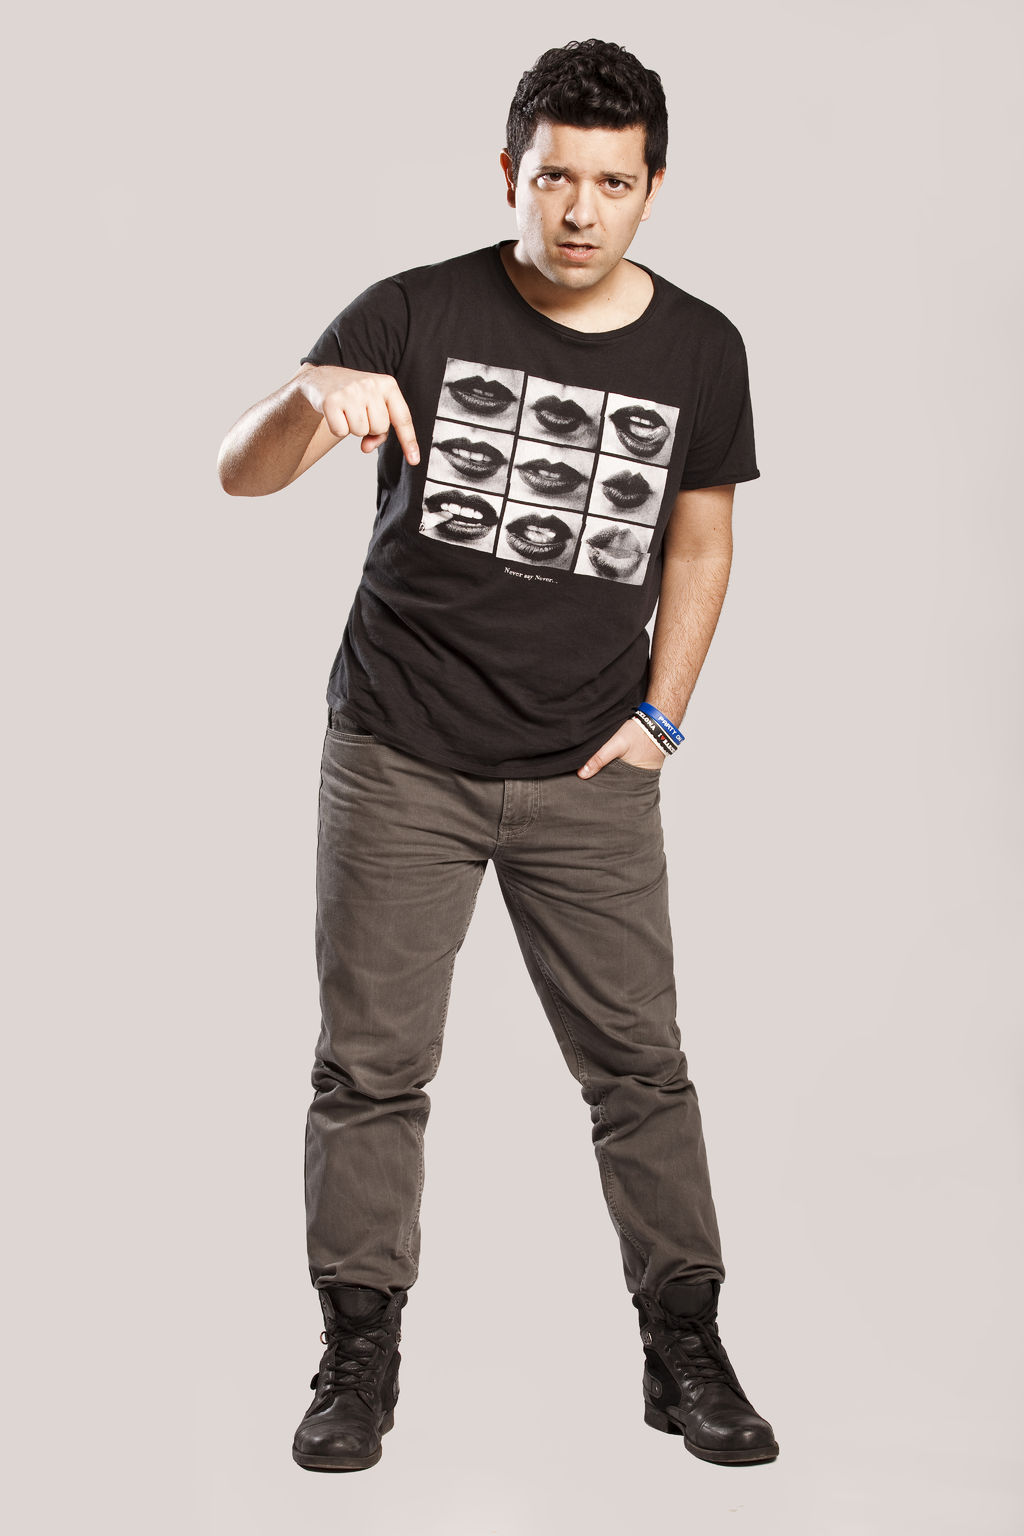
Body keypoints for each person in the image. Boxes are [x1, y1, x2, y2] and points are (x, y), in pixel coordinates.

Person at [218, 38, 779, 1474]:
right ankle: (357, 1354)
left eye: (613, 183)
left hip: (589, 771)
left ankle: (685, 1345)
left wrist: (662, 718)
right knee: (371, 1070)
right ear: (510, 174)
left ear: (653, 187)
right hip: (400, 753)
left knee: (641, 1068)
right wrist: (309, 395)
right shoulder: (412, 310)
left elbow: (701, 542)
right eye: (554, 178)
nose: (580, 210)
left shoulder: (701, 349)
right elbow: (242, 474)